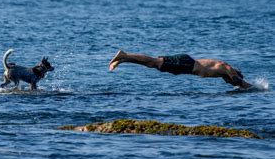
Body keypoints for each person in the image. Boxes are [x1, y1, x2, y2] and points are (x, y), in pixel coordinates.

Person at [108, 49, 252, 89]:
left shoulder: (222, 73)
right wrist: (257, 89)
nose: (228, 83)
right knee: (153, 61)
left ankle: (123, 60)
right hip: (186, 64)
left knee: (151, 65)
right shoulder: (227, 68)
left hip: (185, 68)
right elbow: (237, 80)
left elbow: (233, 81)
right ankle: (124, 55)